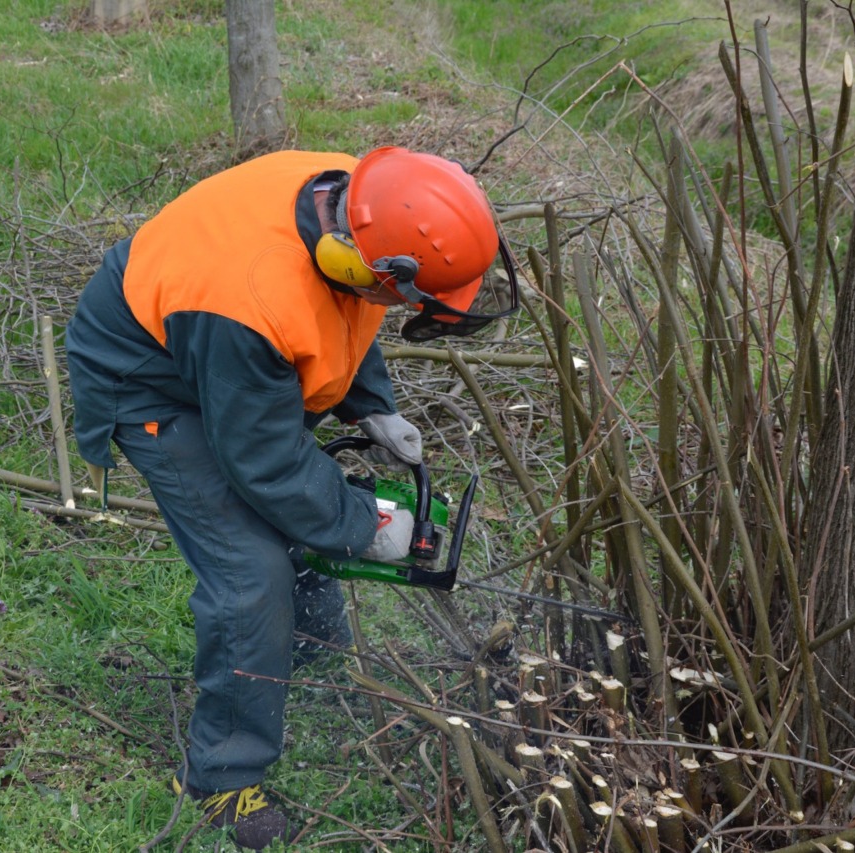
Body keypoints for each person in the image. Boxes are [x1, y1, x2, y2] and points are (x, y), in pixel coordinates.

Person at [64, 146, 517, 849]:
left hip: (221, 347)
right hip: (146, 377)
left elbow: (347, 310)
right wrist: (365, 525)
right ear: (365, 267)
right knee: (251, 568)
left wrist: (372, 405)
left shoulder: (364, 204)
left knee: (297, 509)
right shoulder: (253, 297)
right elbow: (266, 465)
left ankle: (305, 641)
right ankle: (219, 777)